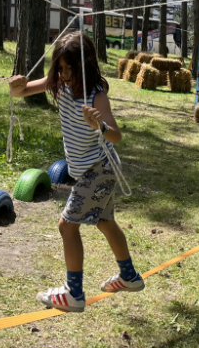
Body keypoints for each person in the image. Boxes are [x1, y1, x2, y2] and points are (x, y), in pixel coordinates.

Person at [8, 33, 144, 312]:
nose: (65, 74)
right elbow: (20, 92)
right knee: (105, 222)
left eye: (71, 69)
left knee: (66, 226)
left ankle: (74, 293)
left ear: (86, 66)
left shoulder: (97, 94)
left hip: (100, 169)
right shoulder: (57, 83)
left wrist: (99, 126)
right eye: (60, 68)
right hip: (89, 171)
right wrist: (15, 85)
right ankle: (129, 276)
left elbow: (116, 136)